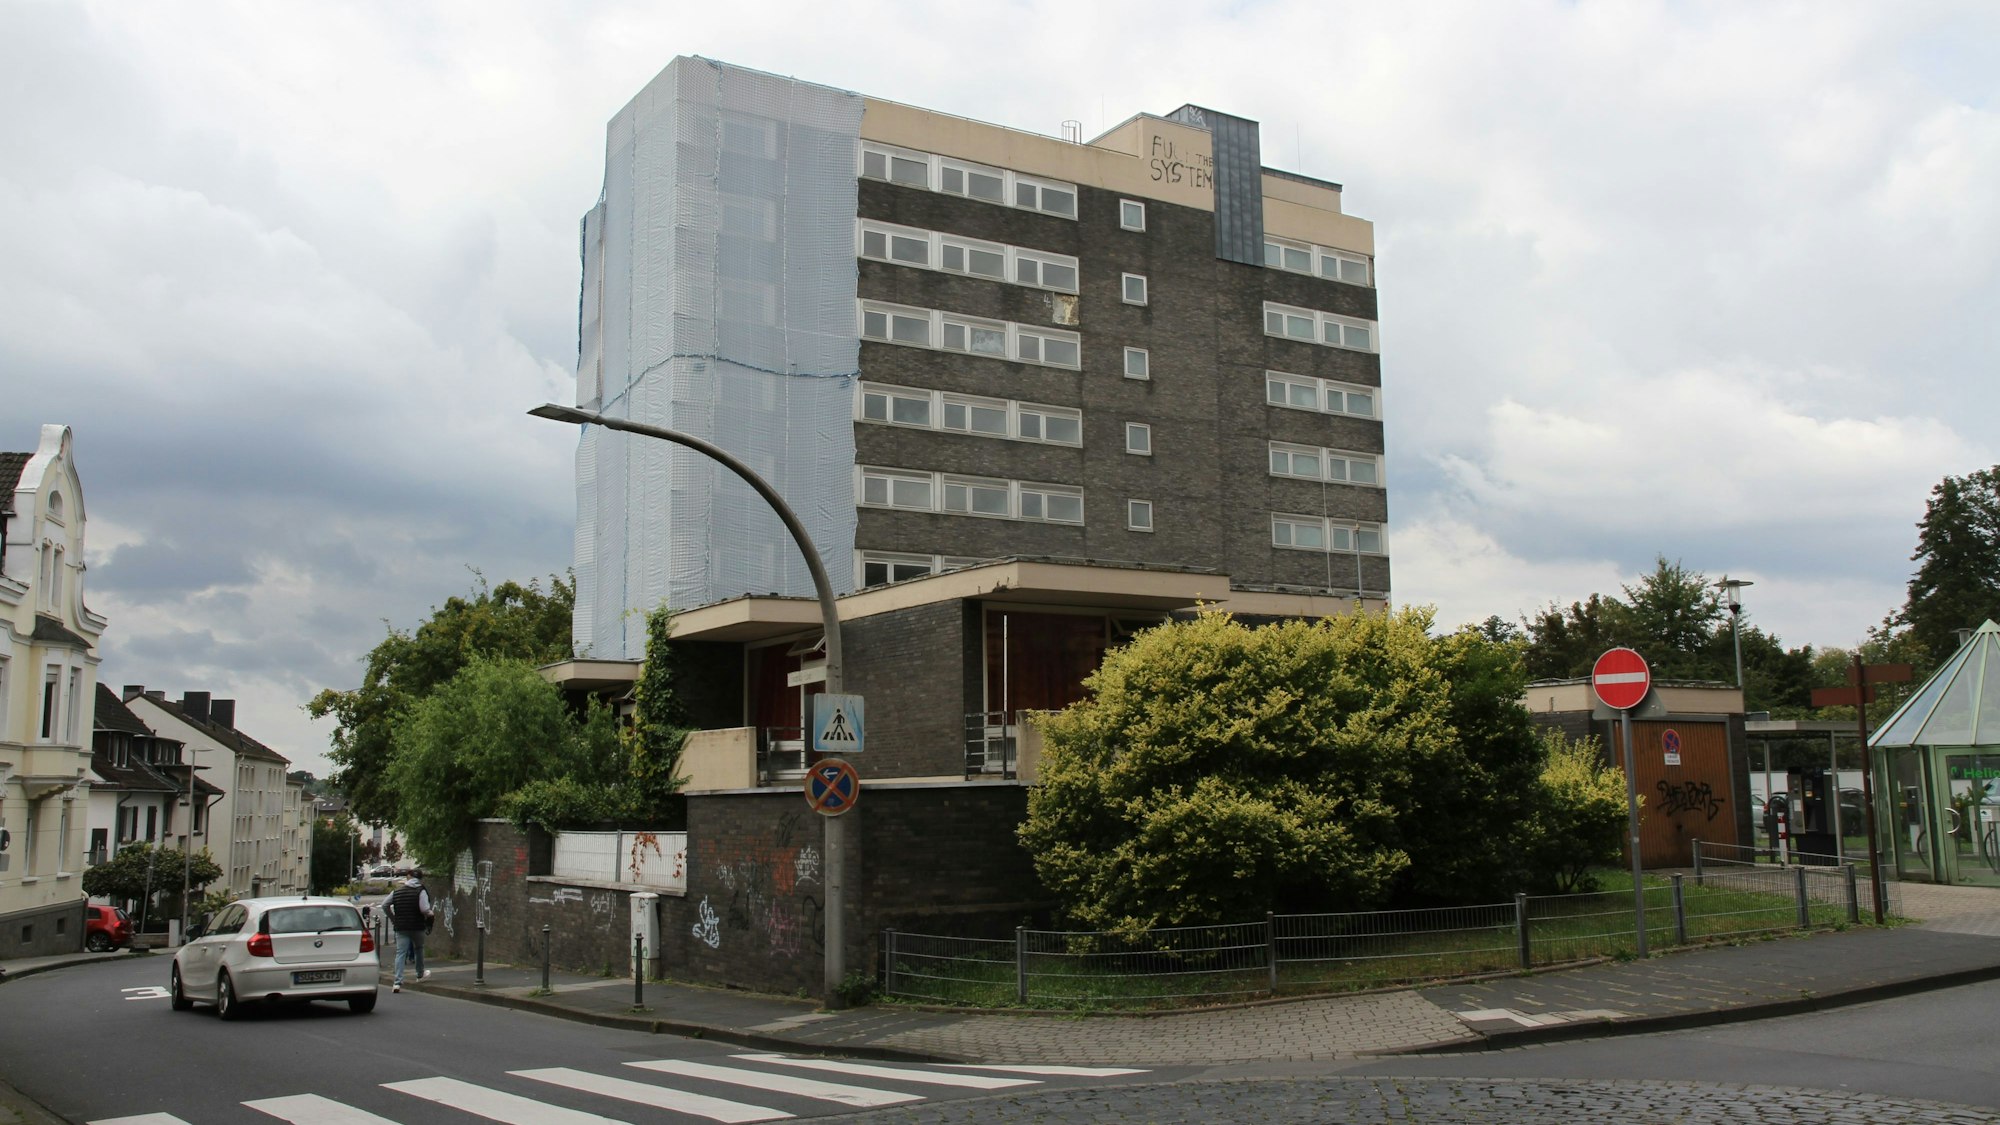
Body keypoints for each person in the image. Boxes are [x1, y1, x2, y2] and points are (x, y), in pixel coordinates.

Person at [384, 872, 433, 992]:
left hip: (401, 927)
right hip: (417, 925)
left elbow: (385, 905)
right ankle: (419, 974)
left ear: (408, 878)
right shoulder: (421, 891)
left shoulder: (397, 891)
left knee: (401, 953)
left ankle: (397, 982)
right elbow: (425, 909)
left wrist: (393, 919)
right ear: (420, 879)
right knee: (419, 949)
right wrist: (430, 914)